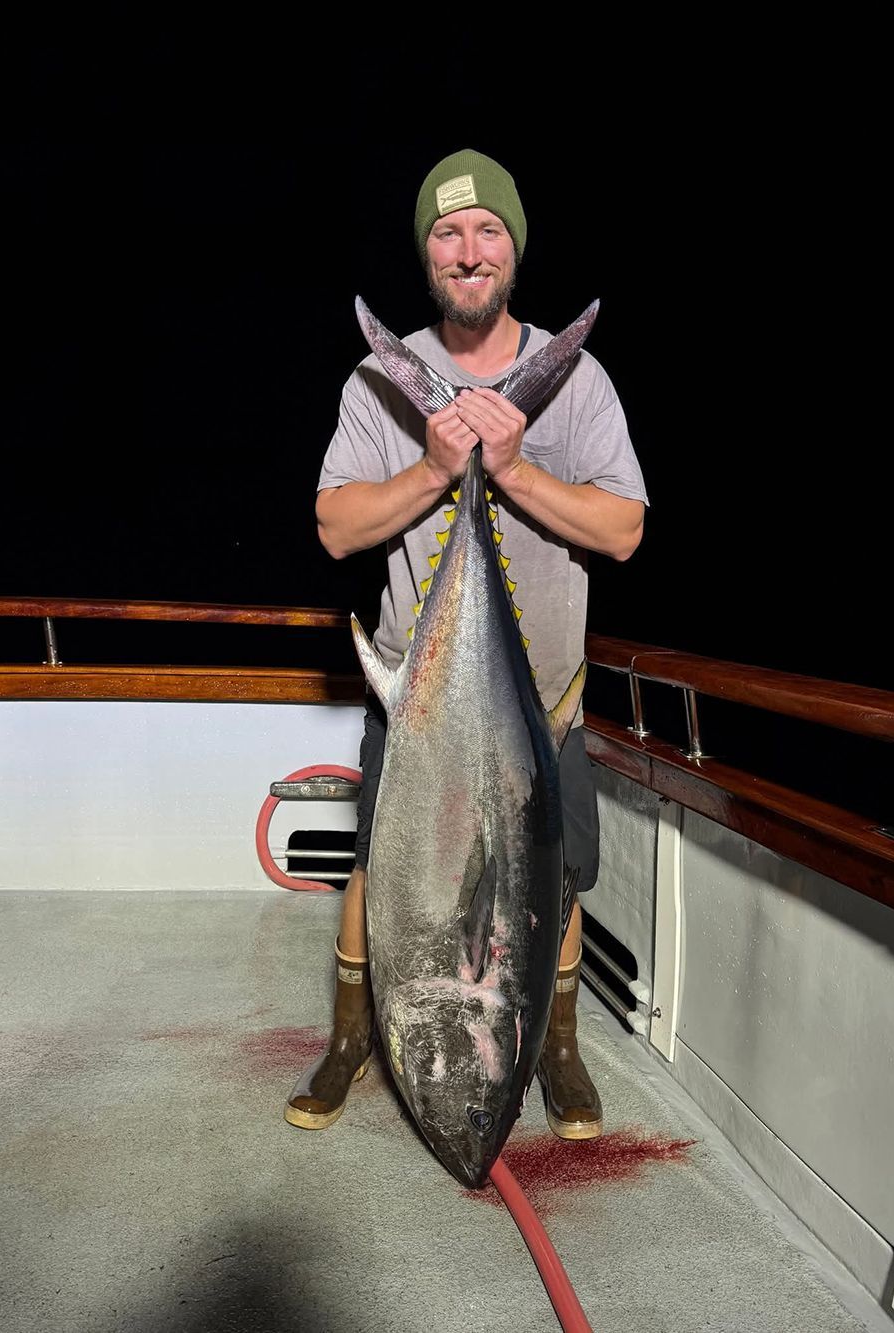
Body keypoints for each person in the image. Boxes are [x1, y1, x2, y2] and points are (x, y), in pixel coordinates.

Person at [285, 148, 647, 1144]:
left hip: (542, 704)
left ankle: (556, 1048)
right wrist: (438, 467)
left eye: (488, 230)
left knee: (552, 877)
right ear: (428, 254)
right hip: (420, 699)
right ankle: (351, 1037)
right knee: (382, 864)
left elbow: (623, 530)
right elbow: (335, 527)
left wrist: (512, 467)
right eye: (448, 233)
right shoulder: (378, 379)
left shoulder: (578, 382)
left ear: (513, 249)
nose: (469, 249)